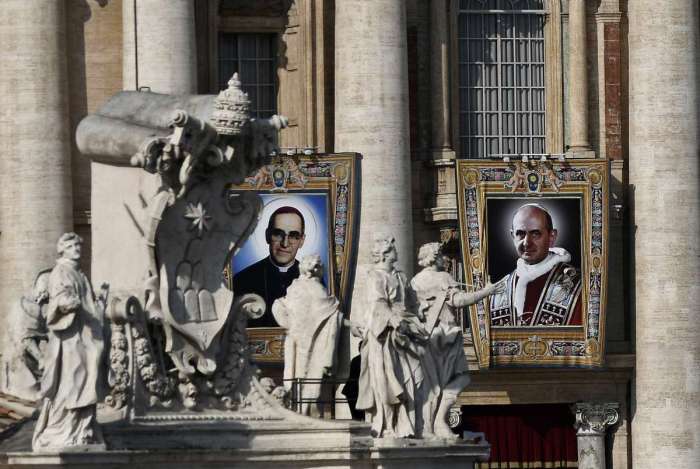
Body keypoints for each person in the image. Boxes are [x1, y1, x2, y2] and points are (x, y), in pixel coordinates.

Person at [410, 242, 502, 438]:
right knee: (457, 379)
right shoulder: (442, 277)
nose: (445, 259)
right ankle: (438, 422)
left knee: (433, 384)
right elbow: (458, 301)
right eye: (442, 255)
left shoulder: (415, 281)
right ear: (434, 257)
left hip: (427, 337)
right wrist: (486, 292)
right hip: (445, 335)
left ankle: (429, 426)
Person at [32, 233, 107, 451]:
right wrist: (66, 303)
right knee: (72, 381)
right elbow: (60, 297)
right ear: (62, 250)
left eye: (78, 245)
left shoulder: (79, 273)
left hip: (86, 336)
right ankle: (62, 429)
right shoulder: (61, 272)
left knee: (87, 377)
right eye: (71, 245)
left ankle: (83, 428)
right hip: (70, 338)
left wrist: (98, 301)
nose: (77, 248)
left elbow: (87, 302)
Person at [356, 235, 428, 438]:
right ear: (385, 254)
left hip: (406, 333)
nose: (397, 252)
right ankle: (387, 426)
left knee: (415, 379)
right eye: (393, 249)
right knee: (386, 383)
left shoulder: (401, 276)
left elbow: (412, 303)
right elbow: (378, 305)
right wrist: (394, 321)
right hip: (382, 337)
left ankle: (410, 425)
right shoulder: (375, 277)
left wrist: (421, 312)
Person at [272, 254, 343, 416]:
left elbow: (279, 305)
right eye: (318, 266)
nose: (321, 269)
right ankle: (304, 410)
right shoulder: (312, 288)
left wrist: (288, 324)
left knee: (302, 379)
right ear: (313, 269)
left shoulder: (296, 286)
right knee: (305, 378)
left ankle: (302, 410)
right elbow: (329, 310)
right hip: (306, 340)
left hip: (303, 338)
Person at [490, 203, 582, 326]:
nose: (527, 243)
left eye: (535, 233)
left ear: (551, 236)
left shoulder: (579, 284)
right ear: (513, 236)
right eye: (520, 233)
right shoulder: (498, 291)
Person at [233, 206, 306, 327]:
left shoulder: (314, 280)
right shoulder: (242, 280)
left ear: (302, 241)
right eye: (278, 234)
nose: (285, 243)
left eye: (293, 235)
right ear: (267, 236)